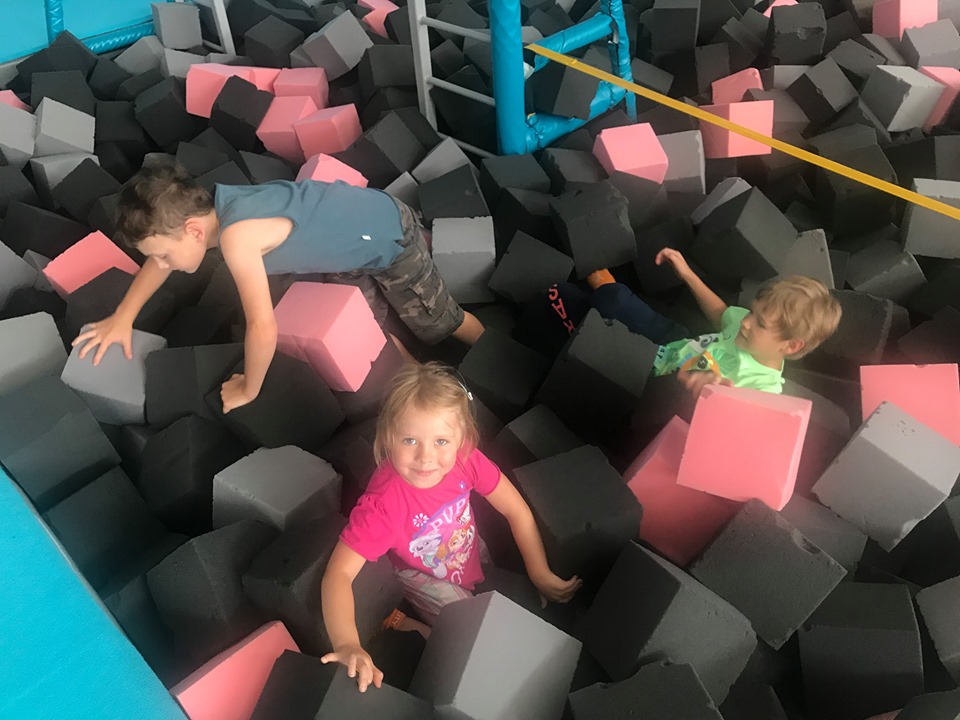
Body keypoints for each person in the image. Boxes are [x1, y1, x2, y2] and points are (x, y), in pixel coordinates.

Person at [71, 164, 485, 412]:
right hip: (347, 250)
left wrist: (249, 387)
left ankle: (489, 350)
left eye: (164, 255)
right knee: (368, 330)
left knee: (440, 322)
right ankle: (417, 381)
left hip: (389, 238)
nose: (162, 264)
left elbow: (262, 327)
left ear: (193, 231)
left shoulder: (237, 239)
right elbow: (157, 263)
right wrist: (122, 317)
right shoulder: (216, 207)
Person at [320, 362, 581, 692]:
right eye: (410, 440)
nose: (426, 457)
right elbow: (338, 575)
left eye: (441, 441)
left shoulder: (466, 459)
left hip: (465, 546)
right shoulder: (383, 506)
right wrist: (347, 644)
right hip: (422, 573)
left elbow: (516, 511)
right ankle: (402, 622)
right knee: (466, 639)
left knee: (494, 591)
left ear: (463, 438)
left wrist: (539, 572)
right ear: (387, 438)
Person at [542, 249, 842, 396]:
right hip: (673, 340)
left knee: (563, 299)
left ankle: (580, 322)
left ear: (791, 346)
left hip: (656, 379)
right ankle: (605, 291)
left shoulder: (763, 388)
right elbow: (721, 313)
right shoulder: (744, 325)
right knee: (616, 298)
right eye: (752, 313)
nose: (746, 323)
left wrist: (714, 395)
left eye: (760, 323)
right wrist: (687, 274)